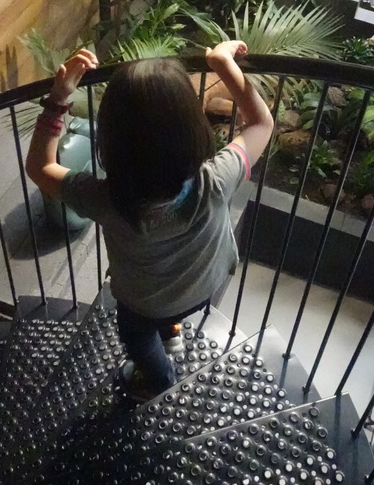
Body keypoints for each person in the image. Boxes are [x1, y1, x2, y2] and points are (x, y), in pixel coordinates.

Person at [25, 41, 273, 401]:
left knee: (137, 336)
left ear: (110, 140)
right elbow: (262, 122)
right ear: (192, 128)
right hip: (203, 288)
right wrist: (222, 64)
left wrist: (58, 98)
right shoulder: (218, 179)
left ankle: (159, 380)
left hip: (143, 305)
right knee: (169, 311)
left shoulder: (104, 199)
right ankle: (173, 328)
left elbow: (40, 166)